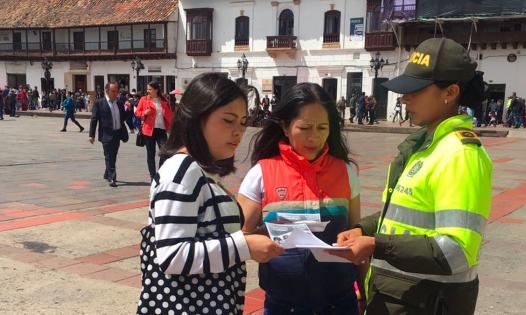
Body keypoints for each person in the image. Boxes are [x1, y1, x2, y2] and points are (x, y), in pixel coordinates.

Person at [331, 38, 492, 315]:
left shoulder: (460, 154)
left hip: (428, 303)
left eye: (415, 90)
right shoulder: (424, 145)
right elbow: (403, 216)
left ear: (450, 92)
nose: (404, 99)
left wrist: (375, 245)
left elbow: (455, 251)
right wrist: (365, 229)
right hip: (400, 299)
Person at [136, 72, 283, 315]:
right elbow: (172, 255)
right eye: (228, 120)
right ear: (197, 118)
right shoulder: (182, 170)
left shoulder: (199, 170)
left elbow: (206, 235)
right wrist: (244, 246)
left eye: (243, 122)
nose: (238, 131)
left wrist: (259, 235)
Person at [238, 83, 361, 314]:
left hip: (340, 302)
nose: (314, 137)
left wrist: (363, 291)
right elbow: (241, 237)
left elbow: (357, 233)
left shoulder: (346, 172)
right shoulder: (261, 173)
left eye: (322, 127)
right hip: (284, 305)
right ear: (285, 126)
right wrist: (264, 237)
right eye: (304, 128)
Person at [88, 82, 129, 188]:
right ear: (107, 91)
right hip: (106, 134)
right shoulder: (99, 103)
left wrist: (128, 109)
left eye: (117, 91)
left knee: (113, 156)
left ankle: (107, 173)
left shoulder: (119, 103)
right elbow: (94, 119)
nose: (116, 93)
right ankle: (112, 178)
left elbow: (123, 117)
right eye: (113, 91)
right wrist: (91, 135)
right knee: (109, 156)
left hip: (117, 133)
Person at [135, 81, 173, 180]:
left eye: (150, 89)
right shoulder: (144, 99)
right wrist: (144, 112)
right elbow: (137, 113)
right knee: (150, 154)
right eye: (147, 89)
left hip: (161, 130)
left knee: (165, 153)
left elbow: (170, 116)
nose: (148, 91)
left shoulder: (163, 100)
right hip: (149, 131)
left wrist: (171, 127)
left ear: (156, 90)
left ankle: (160, 173)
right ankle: (153, 176)